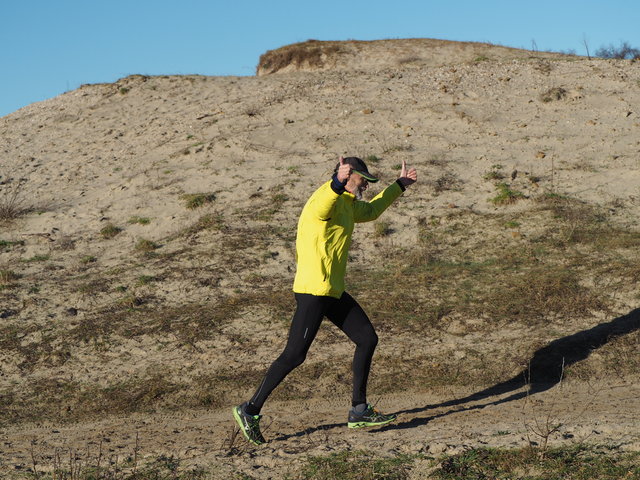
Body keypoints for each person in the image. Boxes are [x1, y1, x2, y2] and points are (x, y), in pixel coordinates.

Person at [232, 156, 418, 445]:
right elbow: (323, 201)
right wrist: (337, 181)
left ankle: (359, 410)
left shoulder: (347, 204)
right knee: (294, 355)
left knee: (367, 338)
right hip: (313, 291)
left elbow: (371, 211)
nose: (365, 187)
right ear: (348, 175)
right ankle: (250, 409)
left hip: (332, 290)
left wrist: (400, 186)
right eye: (363, 180)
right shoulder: (326, 199)